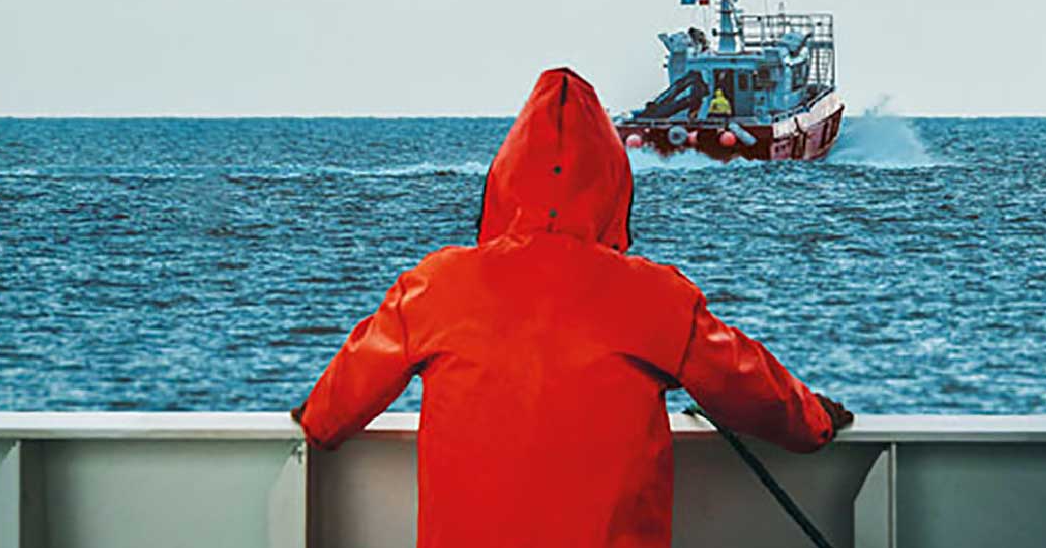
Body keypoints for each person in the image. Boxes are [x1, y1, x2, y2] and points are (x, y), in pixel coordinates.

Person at [291, 67, 852, 547]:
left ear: (502, 182)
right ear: (614, 186)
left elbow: (334, 409)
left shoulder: (434, 285)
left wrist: (316, 418)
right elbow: (747, 384)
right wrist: (816, 422)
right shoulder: (655, 295)